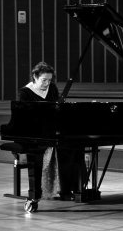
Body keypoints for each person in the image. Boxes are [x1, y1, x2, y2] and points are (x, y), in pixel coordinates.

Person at [19, 61, 84, 202]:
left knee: (74, 147)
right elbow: (24, 118)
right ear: (35, 77)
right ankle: (36, 192)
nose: (47, 83)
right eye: (44, 80)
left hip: (52, 131)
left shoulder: (52, 88)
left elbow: (57, 110)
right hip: (33, 133)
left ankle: (71, 188)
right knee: (50, 150)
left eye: (49, 80)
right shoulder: (25, 93)